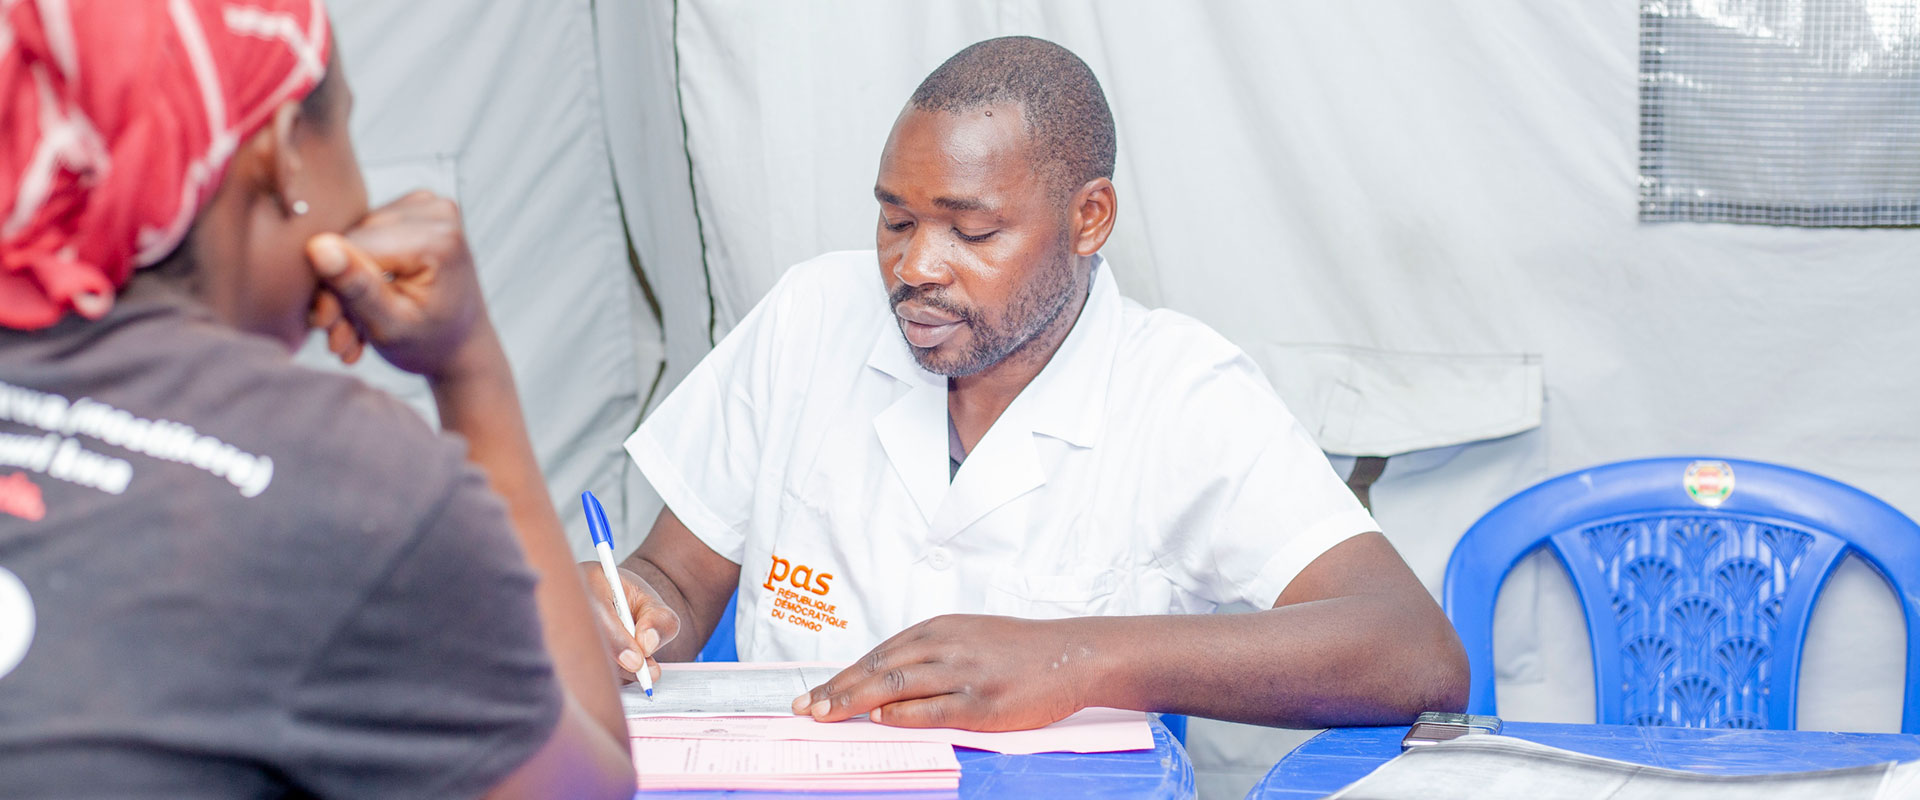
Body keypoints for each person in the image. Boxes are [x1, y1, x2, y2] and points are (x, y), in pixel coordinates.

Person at [588, 36, 1468, 732]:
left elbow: (1412, 650)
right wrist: (631, 610)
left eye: (972, 232)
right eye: (895, 219)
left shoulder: (1182, 394)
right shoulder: (812, 316)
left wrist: (1074, 658)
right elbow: (676, 572)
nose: (915, 265)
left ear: (1089, 219)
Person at [0, 2, 632, 796]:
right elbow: (587, 786)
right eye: (349, 132)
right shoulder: (343, 471)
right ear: (282, 152)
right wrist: (471, 369)